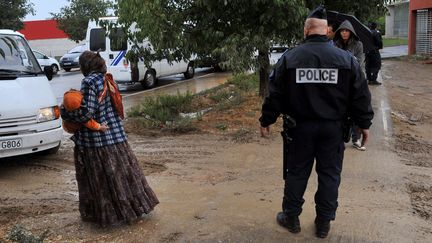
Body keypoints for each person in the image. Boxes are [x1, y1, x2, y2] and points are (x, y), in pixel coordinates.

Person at [259, 6, 374, 238]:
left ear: (306, 30)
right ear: (327, 31)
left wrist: (267, 119)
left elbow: (275, 93)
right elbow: (360, 94)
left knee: (297, 173)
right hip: (333, 130)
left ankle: (291, 217)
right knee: (330, 175)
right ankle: (323, 223)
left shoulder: (290, 58)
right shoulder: (346, 60)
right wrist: (364, 123)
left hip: (299, 129)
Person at [60, 51, 159, 227]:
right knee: (125, 177)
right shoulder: (107, 79)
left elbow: (86, 113)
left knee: (101, 181)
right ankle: (133, 211)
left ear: (85, 66)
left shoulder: (89, 82)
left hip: (96, 143)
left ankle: (108, 217)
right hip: (116, 137)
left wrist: (64, 111)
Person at [334, 20, 367, 150]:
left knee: (355, 110)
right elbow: (334, 63)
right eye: (342, 30)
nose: (344, 33)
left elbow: (359, 63)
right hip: (340, 82)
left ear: (351, 32)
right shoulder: (336, 44)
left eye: (346, 30)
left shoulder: (358, 45)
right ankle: (340, 137)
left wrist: (348, 59)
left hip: (355, 81)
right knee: (340, 110)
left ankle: (356, 138)